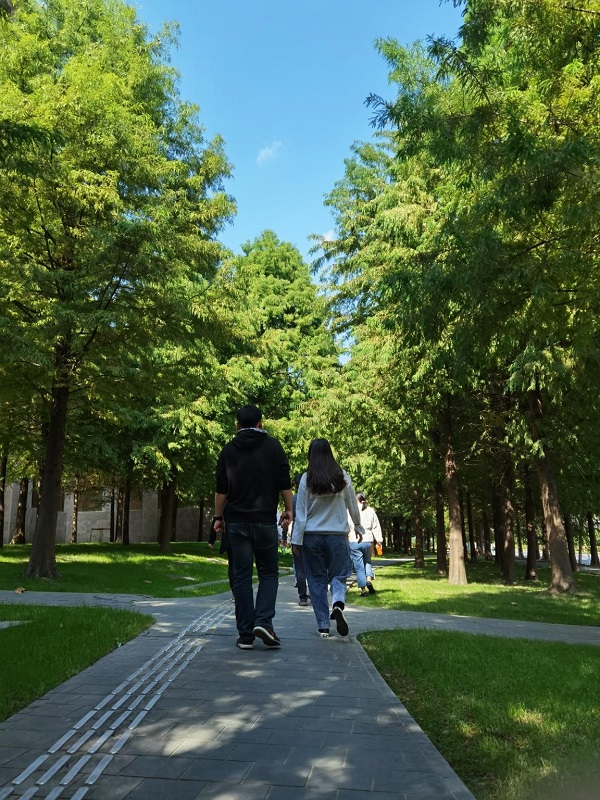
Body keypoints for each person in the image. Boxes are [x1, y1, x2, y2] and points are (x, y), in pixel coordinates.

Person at [213, 404, 293, 650]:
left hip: (237, 523)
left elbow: (221, 489)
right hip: (265, 521)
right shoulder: (274, 447)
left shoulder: (228, 450)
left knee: (242, 577)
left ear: (237, 425)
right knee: (268, 573)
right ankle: (264, 622)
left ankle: (246, 635)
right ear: (261, 424)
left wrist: (217, 517)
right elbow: (284, 482)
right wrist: (288, 510)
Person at [291, 438, 363, 638]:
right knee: (339, 574)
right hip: (337, 535)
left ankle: (323, 626)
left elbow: (301, 512)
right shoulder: (342, 476)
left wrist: (296, 540)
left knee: (316, 580)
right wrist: (357, 525)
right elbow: (352, 504)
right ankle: (338, 603)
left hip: (312, 537)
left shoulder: (307, 479)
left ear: (311, 455)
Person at [290, 473, 309, 607]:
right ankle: (315, 592)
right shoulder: (312, 498)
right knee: (314, 566)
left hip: (297, 534)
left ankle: (303, 597)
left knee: (300, 568)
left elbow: (289, 517)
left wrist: (285, 535)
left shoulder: (293, 499)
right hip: (311, 533)